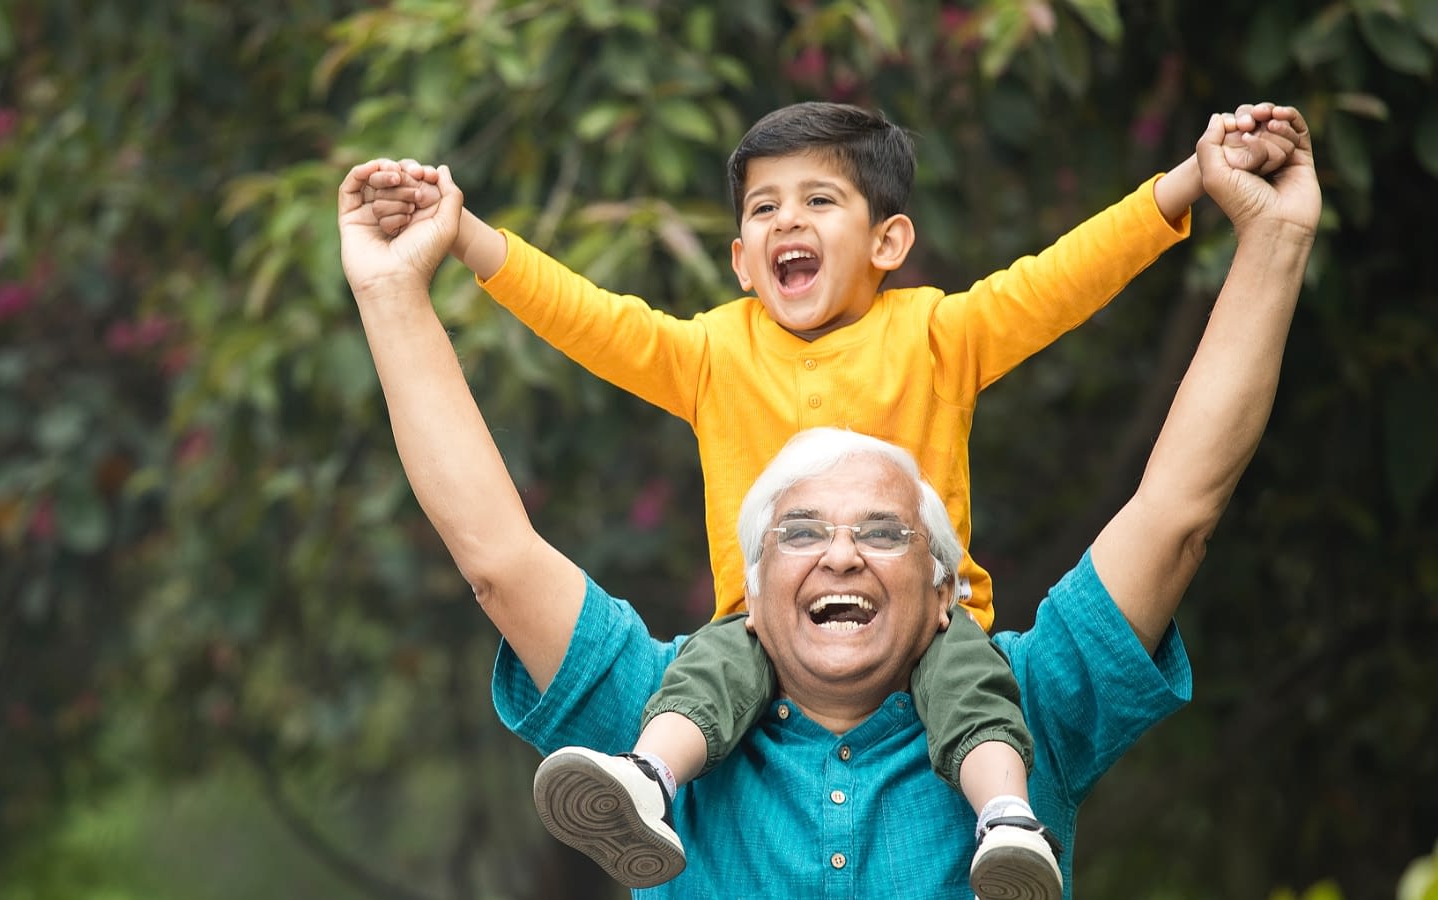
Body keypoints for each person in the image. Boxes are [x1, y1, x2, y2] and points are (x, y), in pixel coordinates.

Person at [339, 105, 1319, 898]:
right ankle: (647, 779)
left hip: (959, 659)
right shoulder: (711, 370)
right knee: (694, 697)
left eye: (883, 529)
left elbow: (1086, 321)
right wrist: (432, 263)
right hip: (728, 655)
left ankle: (1004, 816)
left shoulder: (1029, 693)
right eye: (800, 530)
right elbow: (546, 431)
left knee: (977, 711)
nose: (841, 553)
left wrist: (1223, 208)